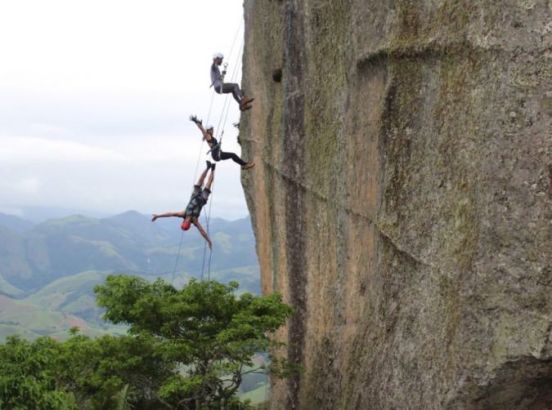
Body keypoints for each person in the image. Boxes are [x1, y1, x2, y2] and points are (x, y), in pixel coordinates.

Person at [151, 161, 216, 249]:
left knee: (199, 182)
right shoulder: (195, 221)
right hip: (202, 200)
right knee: (208, 184)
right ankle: (212, 169)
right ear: (188, 224)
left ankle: (208, 168)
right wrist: (209, 241)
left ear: (184, 221)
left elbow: (170, 214)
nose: (187, 221)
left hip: (195, 196)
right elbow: (202, 232)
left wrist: (158, 216)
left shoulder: (183, 214)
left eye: (185, 222)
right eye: (187, 223)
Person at [190, 115, 254, 170]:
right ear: (209, 130)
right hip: (216, 155)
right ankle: (244, 165)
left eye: (213, 129)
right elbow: (202, 130)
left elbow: (202, 128)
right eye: (212, 129)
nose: (213, 130)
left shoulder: (211, 137)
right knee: (233, 155)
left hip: (218, 154)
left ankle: (243, 165)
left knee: (232, 155)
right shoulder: (208, 136)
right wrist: (196, 122)